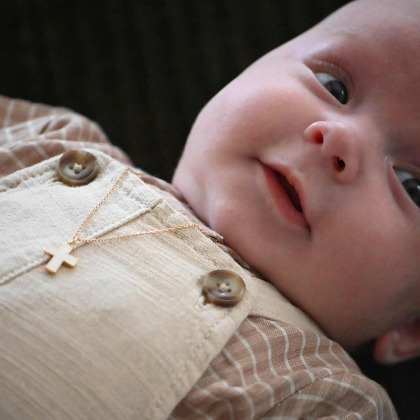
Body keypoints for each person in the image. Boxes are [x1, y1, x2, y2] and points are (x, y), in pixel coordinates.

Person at [0, 0, 418, 418]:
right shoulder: (53, 143)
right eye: (334, 86)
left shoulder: (328, 400)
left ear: (410, 328)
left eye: (411, 184)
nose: (340, 139)